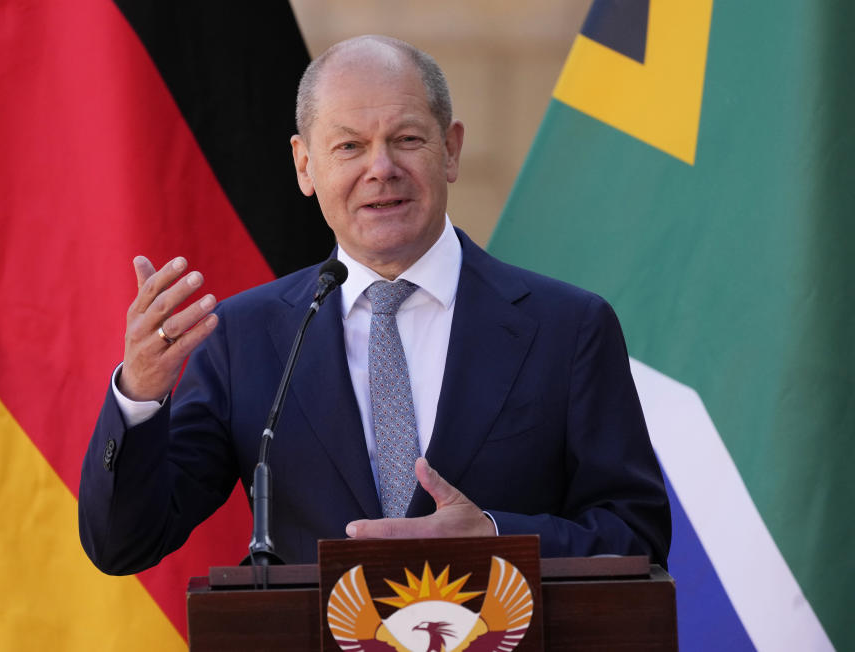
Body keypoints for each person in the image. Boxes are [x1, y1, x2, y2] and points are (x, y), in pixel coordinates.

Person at [78, 35, 670, 573]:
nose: (380, 169)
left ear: (451, 150)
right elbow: (125, 542)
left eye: (407, 139)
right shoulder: (245, 338)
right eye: (350, 147)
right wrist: (140, 395)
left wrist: (494, 535)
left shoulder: (566, 328)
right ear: (305, 166)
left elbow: (635, 535)